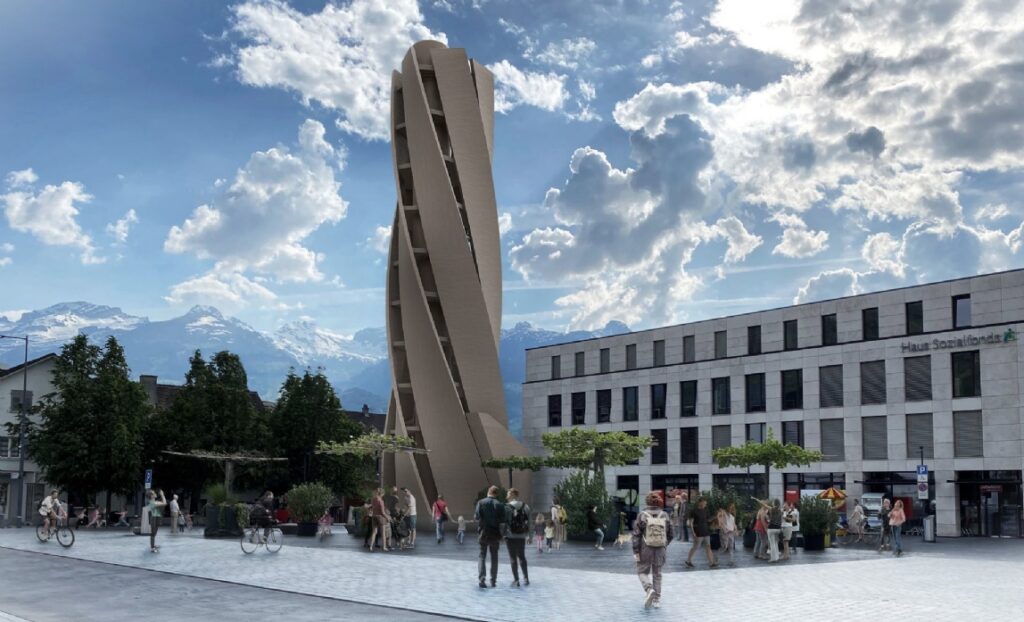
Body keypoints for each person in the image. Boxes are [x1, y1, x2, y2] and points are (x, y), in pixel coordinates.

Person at [633, 490, 674, 609]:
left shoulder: (642, 515)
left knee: (641, 571)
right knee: (657, 573)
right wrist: (664, 544)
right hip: (660, 548)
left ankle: (649, 589)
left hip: (645, 548)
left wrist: (636, 551)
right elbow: (671, 533)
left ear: (647, 502)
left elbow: (636, 535)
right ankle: (656, 600)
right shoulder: (664, 515)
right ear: (659, 502)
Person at [475, 485, 506, 588]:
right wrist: (502, 536)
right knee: (494, 557)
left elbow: (477, 516)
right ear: (496, 494)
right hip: (495, 534)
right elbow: (503, 522)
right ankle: (493, 581)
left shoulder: (481, 502)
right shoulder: (500, 505)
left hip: (483, 533)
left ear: (488, 491)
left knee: (482, 556)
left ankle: (482, 579)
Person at [504, 488, 531, 587]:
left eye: (508, 494)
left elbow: (503, 523)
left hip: (510, 536)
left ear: (512, 495)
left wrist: (502, 534)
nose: (506, 496)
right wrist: (529, 536)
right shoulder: (525, 506)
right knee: (522, 556)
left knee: (513, 558)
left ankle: (516, 580)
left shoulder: (506, 507)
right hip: (521, 535)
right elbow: (530, 522)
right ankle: (526, 578)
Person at [685, 496, 716, 568]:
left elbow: (708, 520)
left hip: (706, 531)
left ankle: (711, 562)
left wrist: (715, 517)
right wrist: (693, 533)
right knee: (696, 547)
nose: (705, 504)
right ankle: (688, 560)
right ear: (700, 502)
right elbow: (691, 523)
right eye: (704, 503)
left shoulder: (706, 510)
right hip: (698, 531)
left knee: (708, 546)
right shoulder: (694, 511)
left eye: (706, 503)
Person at [145, 489, 167, 553]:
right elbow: (164, 503)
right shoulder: (152, 502)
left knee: (154, 533)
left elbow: (164, 503)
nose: (155, 493)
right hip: (153, 518)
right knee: (153, 533)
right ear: (151, 496)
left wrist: (162, 496)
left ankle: (153, 545)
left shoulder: (155, 501)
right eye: (153, 493)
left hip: (157, 517)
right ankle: (152, 548)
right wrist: (162, 495)